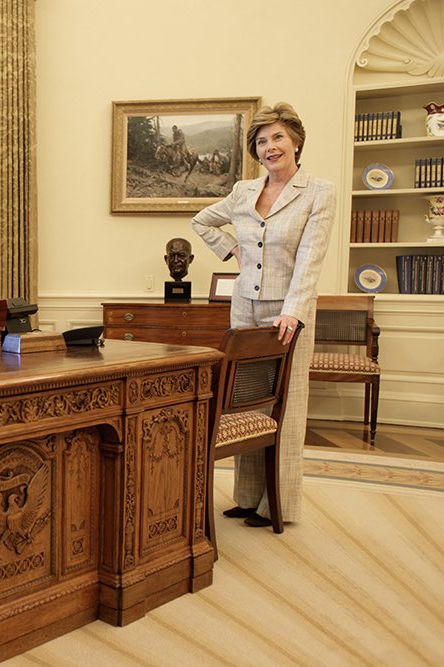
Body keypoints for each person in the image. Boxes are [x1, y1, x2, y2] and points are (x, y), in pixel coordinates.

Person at [191, 102, 334, 528]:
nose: (269, 147)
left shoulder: (318, 192)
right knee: (245, 400)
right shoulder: (242, 192)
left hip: (287, 313)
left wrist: (292, 311)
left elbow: (310, 258)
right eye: (261, 141)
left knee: (285, 405)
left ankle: (279, 504)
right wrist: (230, 248)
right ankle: (249, 497)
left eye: (277, 138)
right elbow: (201, 221)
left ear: (295, 142)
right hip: (245, 309)